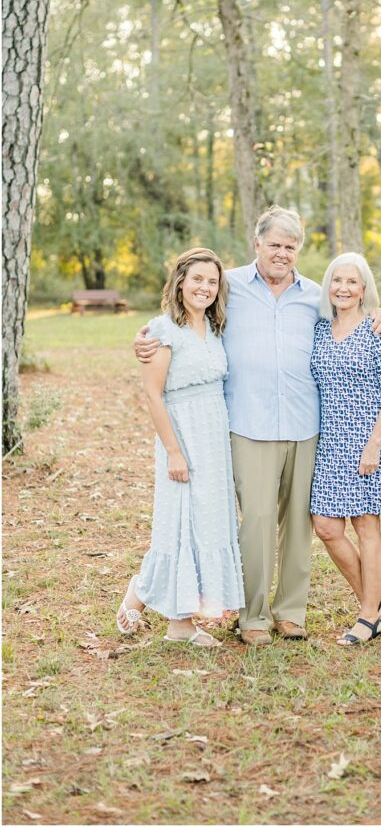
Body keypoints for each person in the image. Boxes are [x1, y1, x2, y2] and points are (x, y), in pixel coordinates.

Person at [134, 206, 381, 647]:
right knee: (253, 521)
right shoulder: (228, 286)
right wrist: (146, 336)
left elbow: (354, 314)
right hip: (248, 424)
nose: (281, 253)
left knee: (298, 524)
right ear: (257, 244)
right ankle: (252, 616)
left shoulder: (316, 296)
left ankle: (290, 612)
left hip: (306, 423)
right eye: (274, 244)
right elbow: (184, 314)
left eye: (290, 247)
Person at [117, 248, 244, 647]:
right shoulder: (162, 330)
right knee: (181, 523)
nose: (204, 287)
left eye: (212, 281)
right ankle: (179, 623)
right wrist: (174, 451)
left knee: (204, 523)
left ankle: (139, 596)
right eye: (197, 280)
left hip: (213, 437)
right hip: (183, 435)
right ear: (180, 282)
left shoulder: (216, 326)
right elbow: (154, 397)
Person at [310, 253, 381, 646]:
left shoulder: (376, 329)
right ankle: (375, 605)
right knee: (326, 526)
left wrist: (375, 444)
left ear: (364, 288)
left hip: (370, 441)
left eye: (352, 282)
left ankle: (367, 615)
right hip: (330, 440)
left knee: (367, 526)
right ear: (328, 285)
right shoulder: (318, 329)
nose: (343, 288)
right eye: (337, 280)